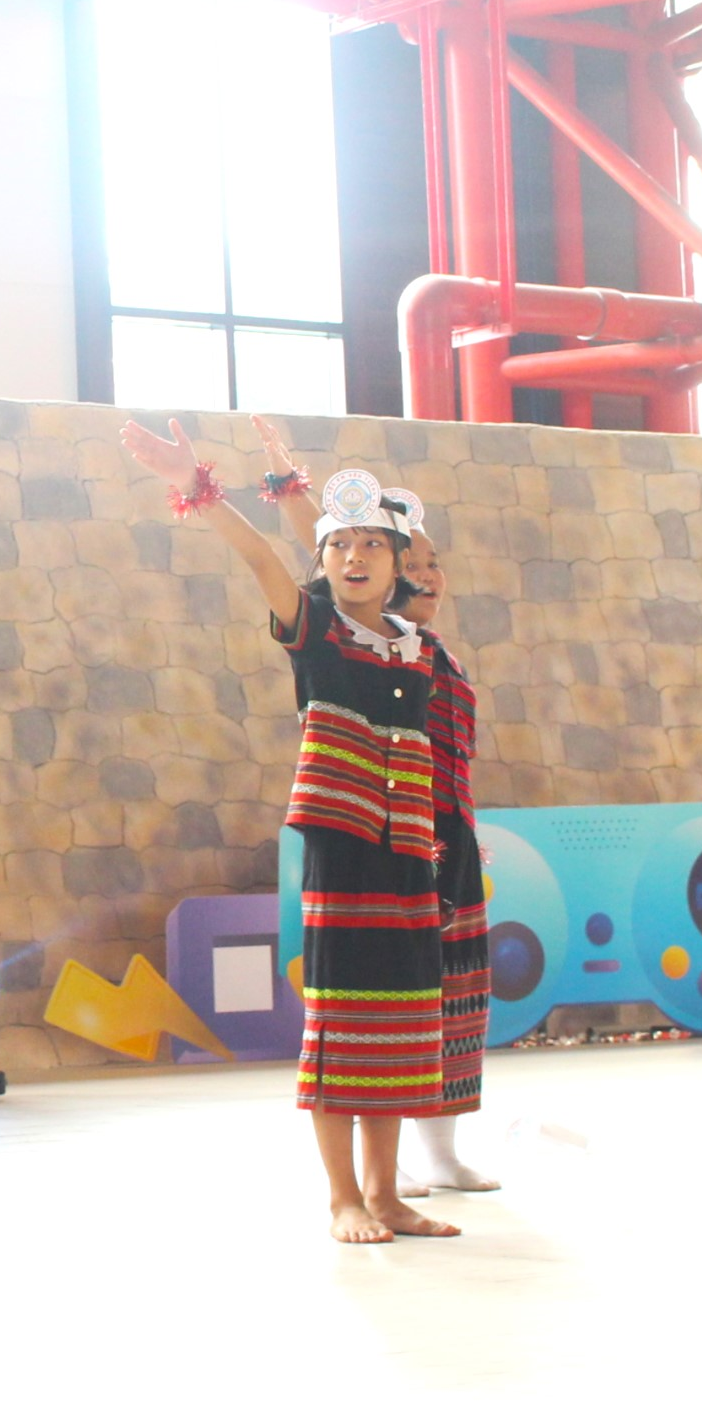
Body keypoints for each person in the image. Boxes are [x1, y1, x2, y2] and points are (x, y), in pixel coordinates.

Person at [122, 417, 458, 1244]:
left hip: (408, 854)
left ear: (397, 560)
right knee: (344, 1020)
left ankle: (386, 1195)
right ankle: (342, 1196)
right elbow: (269, 559)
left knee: (401, 1020)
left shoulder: (416, 646)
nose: (352, 556)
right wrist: (203, 490)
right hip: (341, 851)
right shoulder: (313, 629)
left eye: (370, 545)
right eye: (337, 544)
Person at [247, 418, 495, 1196]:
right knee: (369, 1000)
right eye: (409, 557)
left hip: (437, 835)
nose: (425, 573)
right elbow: (316, 560)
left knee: (448, 991)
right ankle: (360, 1187)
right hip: (366, 840)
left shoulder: (428, 652)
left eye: (427, 559)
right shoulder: (338, 632)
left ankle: (436, 1151)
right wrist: (288, 484)